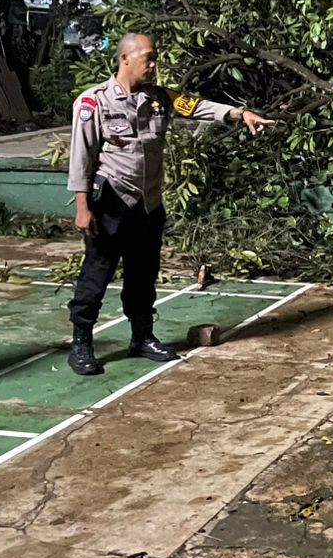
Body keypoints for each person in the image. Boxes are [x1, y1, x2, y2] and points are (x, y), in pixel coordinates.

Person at [65, 33, 272, 375]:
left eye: (154, 57)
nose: (153, 64)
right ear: (125, 59)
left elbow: (198, 106)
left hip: (148, 204)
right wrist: (82, 208)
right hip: (112, 201)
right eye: (148, 57)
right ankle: (81, 343)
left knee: (143, 273)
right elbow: (81, 159)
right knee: (96, 274)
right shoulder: (94, 103)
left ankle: (142, 337)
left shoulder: (160, 98)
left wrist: (239, 113)